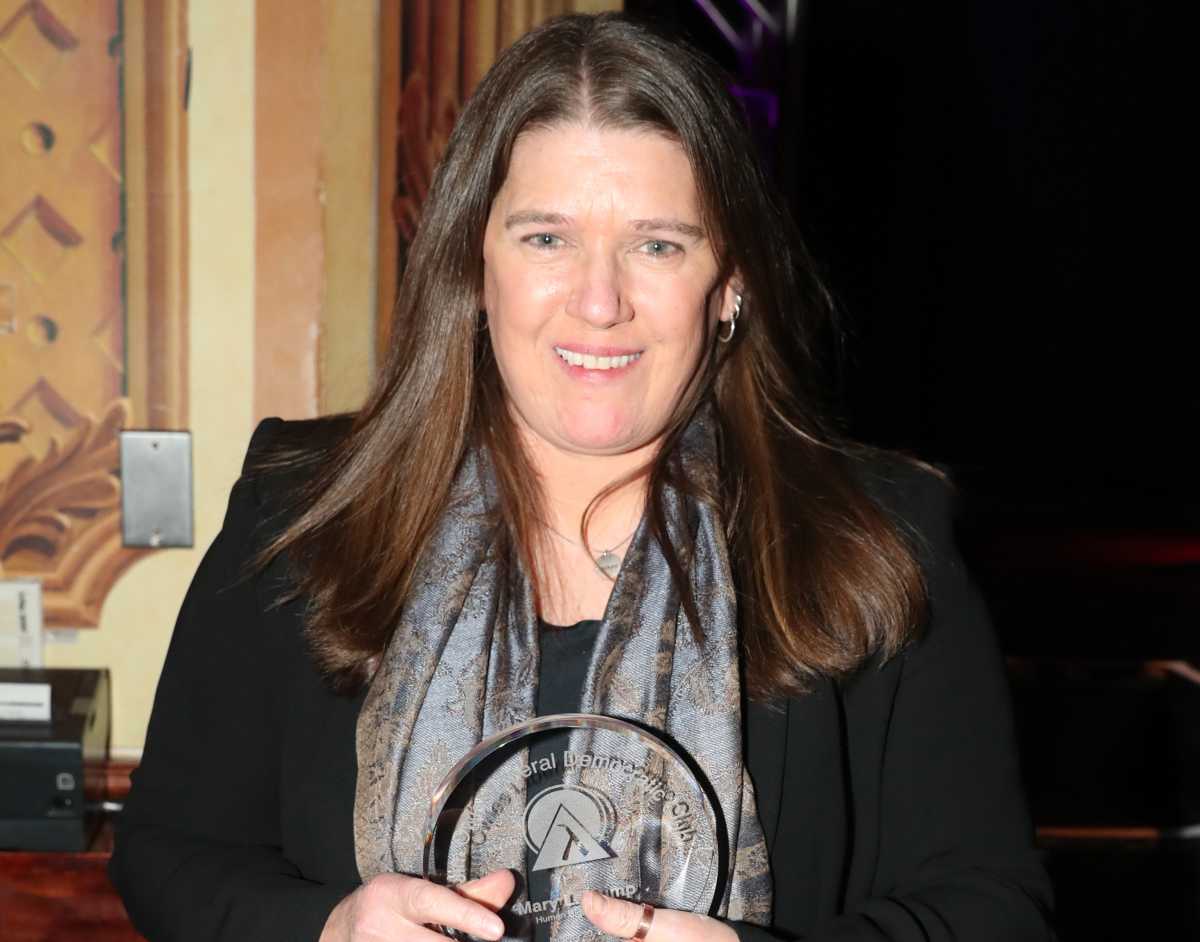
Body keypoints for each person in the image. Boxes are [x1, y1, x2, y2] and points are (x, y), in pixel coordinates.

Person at [110, 12, 1056, 942]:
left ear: (730, 282)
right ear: (476, 265)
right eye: (546, 239)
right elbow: (169, 852)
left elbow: (993, 906)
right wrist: (328, 929)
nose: (600, 302)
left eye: (657, 244)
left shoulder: (879, 537)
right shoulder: (307, 511)